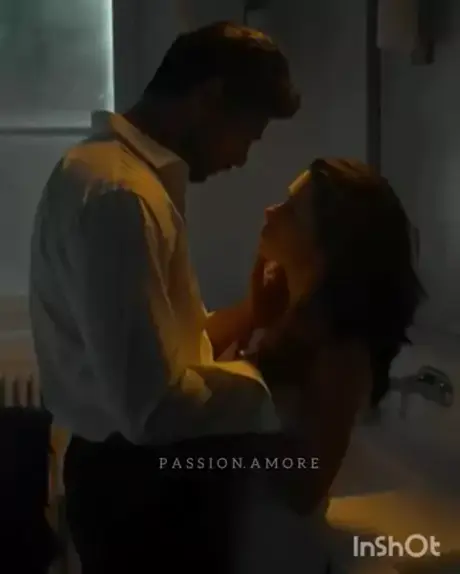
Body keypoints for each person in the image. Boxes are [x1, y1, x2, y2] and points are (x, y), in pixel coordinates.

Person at [29, 21, 299, 574]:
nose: (242, 158)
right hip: (140, 490)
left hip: (127, 478)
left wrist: (253, 314)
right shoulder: (121, 197)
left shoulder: (110, 176)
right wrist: (268, 377)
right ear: (210, 99)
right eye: (248, 135)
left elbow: (170, 352)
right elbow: (152, 408)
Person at [227, 158, 425, 572]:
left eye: (291, 210)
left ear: (326, 246)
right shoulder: (287, 320)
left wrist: (215, 438)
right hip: (249, 547)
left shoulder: (341, 353)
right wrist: (254, 319)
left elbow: (304, 487)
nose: (271, 211)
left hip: (283, 556)